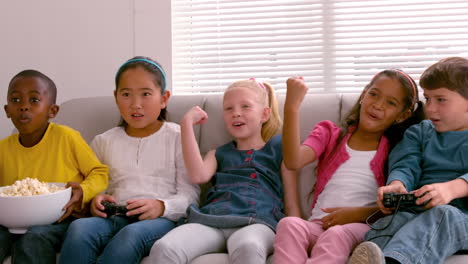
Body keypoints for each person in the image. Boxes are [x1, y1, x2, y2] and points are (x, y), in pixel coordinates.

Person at [58, 57, 200, 264]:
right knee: (79, 229)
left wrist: (162, 206)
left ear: (164, 98)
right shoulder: (103, 141)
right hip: (113, 216)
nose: (135, 104)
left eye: (145, 94)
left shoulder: (179, 136)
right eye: (126, 95)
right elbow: (95, 185)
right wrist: (95, 200)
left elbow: (191, 195)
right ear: (116, 97)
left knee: (130, 236)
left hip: (159, 221)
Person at [274, 70, 425, 264]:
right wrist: (292, 107)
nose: (378, 105)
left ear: (402, 116)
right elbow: (293, 161)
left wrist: (355, 214)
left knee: (336, 234)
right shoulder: (330, 134)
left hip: (363, 228)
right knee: (289, 224)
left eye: (391, 103)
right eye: (374, 94)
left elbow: (397, 206)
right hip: (319, 224)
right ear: (364, 94)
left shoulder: (398, 149)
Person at [148, 78, 301, 264]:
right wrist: (186, 123)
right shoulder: (218, 153)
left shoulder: (279, 148)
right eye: (229, 109)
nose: (236, 113)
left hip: (256, 222)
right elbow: (198, 175)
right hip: (210, 220)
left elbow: (292, 203)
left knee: (248, 247)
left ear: (264, 114)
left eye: (245, 106)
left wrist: (299, 235)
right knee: (164, 248)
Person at [348, 57, 468, 264]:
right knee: (393, 222)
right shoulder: (420, 132)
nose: (430, 109)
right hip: (418, 210)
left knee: (443, 215)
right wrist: (397, 184)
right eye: (428, 99)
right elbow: (405, 164)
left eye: (441, 99)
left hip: (461, 219)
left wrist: (453, 189)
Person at [0, 70, 108, 264]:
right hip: (14, 221)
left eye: (34, 100)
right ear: (7, 110)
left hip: (61, 218)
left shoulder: (67, 138)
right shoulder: (3, 148)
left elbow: (99, 172)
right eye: (16, 101)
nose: (24, 107)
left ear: (53, 111)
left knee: (33, 239)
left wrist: (83, 191)